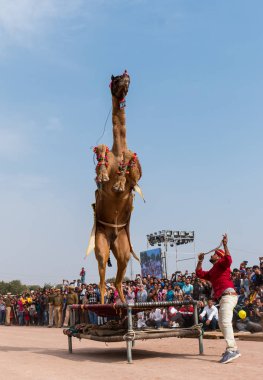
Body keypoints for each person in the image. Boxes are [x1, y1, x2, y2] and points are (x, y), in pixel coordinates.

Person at [196, 234, 241, 364]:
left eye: (214, 254)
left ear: (218, 256)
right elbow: (199, 273)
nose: (212, 255)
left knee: (225, 322)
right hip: (224, 298)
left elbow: (228, 259)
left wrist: (226, 245)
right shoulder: (214, 270)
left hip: (228, 296)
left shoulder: (222, 264)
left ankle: (232, 349)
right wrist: (200, 261)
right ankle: (231, 349)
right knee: (222, 323)